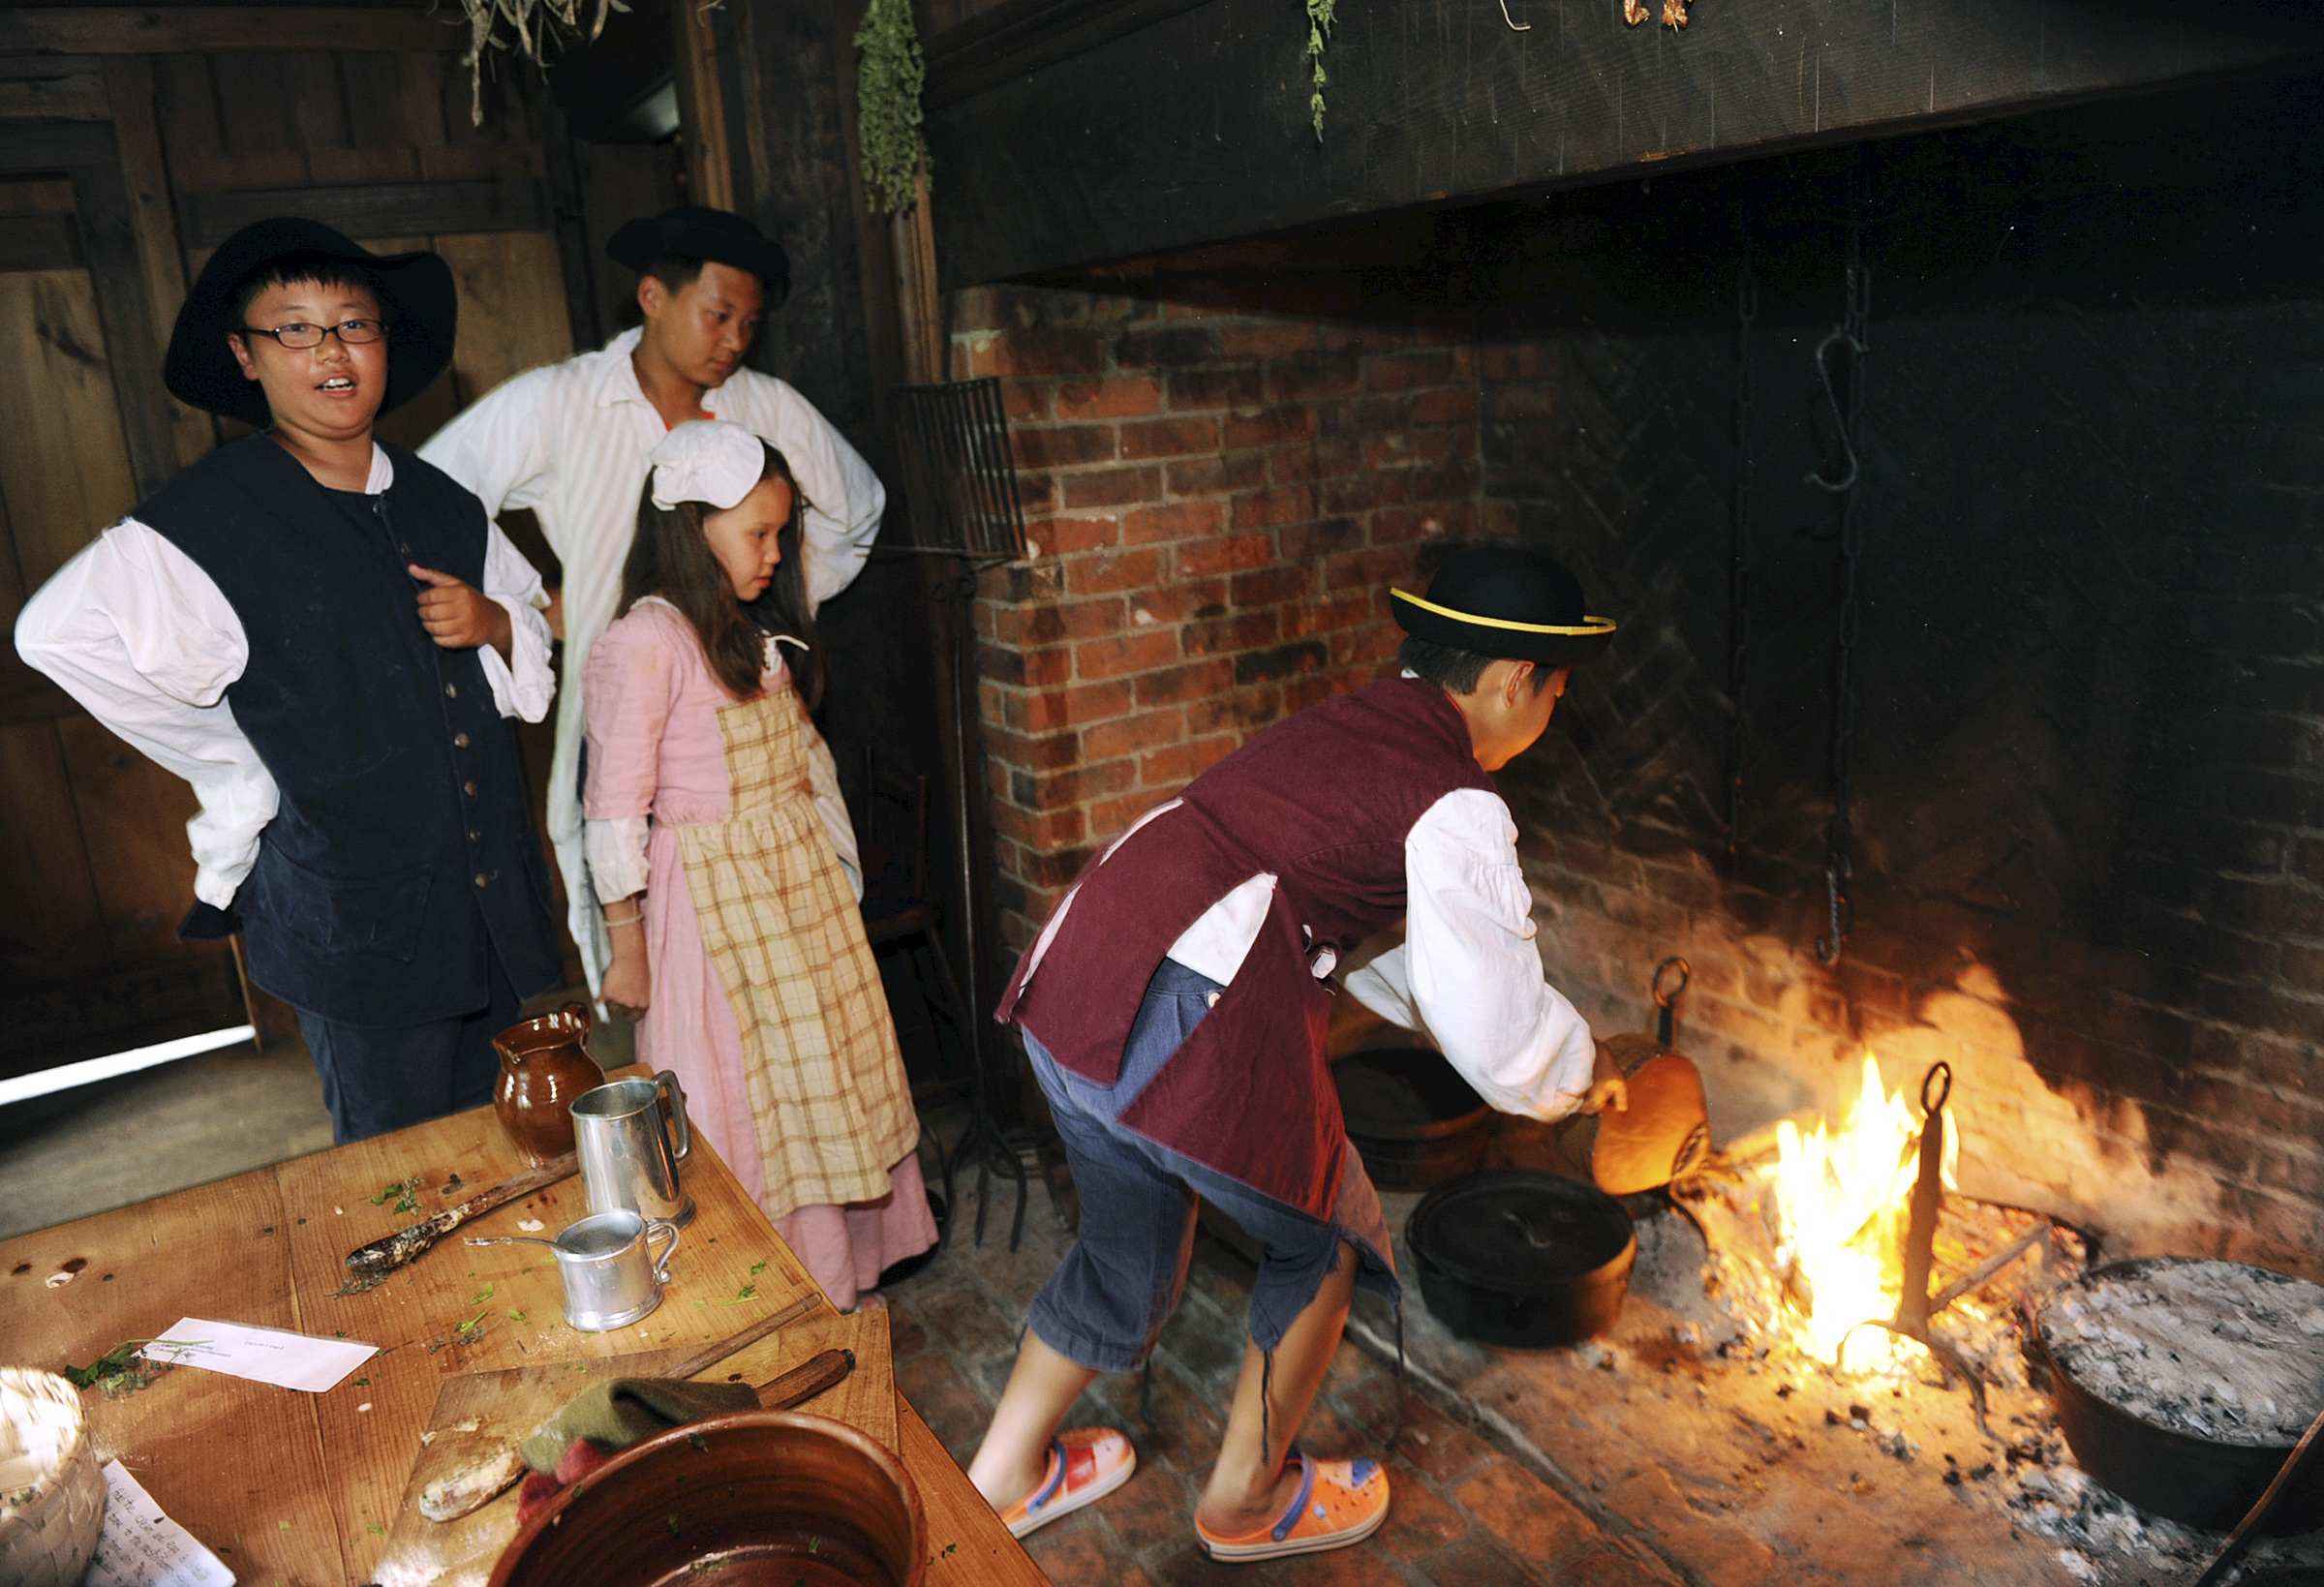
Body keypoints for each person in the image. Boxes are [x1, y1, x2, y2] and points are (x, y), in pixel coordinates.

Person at [965, 546, 1630, 1560]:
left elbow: (1401, 939)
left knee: (1123, 1247)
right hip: (1176, 1013)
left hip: (1080, 972)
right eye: (1555, 696)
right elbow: (1493, 1024)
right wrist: (1578, 1073)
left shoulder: (1358, 721)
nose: (1550, 716)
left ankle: (1002, 1476)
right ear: (1512, 682)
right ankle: (1244, 1501)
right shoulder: (1455, 796)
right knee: (1326, 1234)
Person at [14, 218, 562, 1144]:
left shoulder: (445, 500)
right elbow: (55, 635)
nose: (332, 350)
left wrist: (495, 623)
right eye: (296, 328)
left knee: (500, 1135)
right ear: (246, 355)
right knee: (395, 1164)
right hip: (358, 932)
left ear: (385, 341)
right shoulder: (211, 516)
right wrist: (234, 759)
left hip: (486, 906)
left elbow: (531, 627)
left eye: (354, 324)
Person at [420, 205, 884, 992]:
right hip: (626, 719)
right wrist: (524, 609)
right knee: (656, 962)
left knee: (784, 960)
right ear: (652, 298)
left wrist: (767, 598)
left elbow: (857, 508)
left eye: (750, 323)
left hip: (745, 718)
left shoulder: (766, 406)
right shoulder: (562, 402)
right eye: (718, 315)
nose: (735, 340)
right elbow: (434, 494)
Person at [581, 420, 935, 1309]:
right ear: (692, 528)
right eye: (758, 533)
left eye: (782, 533)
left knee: (823, 1077)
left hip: (794, 895)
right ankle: (772, 1287)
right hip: (717, 910)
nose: (775, 552)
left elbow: (807, 758)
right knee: (747, 1090)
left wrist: (835, 867)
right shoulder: (648, 642)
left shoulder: (750, 628)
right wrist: (626, 945)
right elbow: (614, 807)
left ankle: (836, 1271)